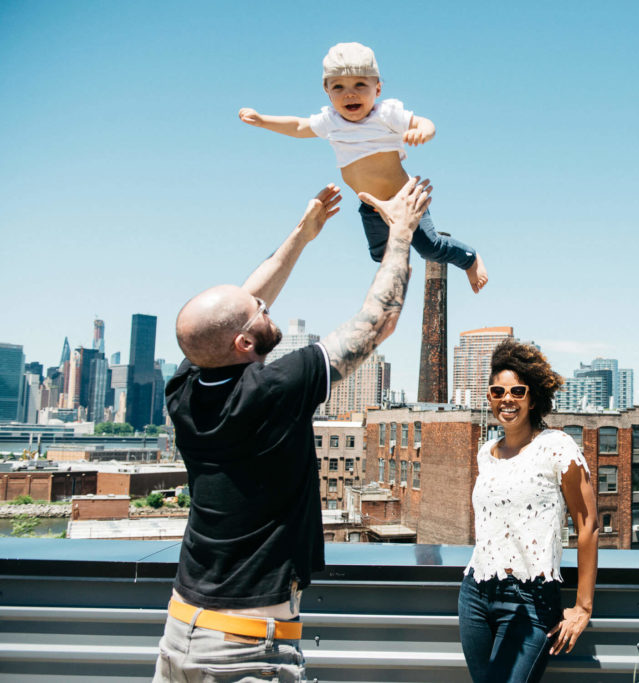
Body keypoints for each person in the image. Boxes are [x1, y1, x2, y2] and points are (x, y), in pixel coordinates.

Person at [152, 176, 432, 682]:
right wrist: (401, 234)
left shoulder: (183, 392)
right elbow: (377, 323)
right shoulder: (273, 390)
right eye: (260, 313)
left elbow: (227, 312)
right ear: (243, 343)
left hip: (181, 630)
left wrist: (302, 235)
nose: (265, 306)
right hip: (244, 650)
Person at [238, 41, 488, 294]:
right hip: (371, 206)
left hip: (404, 199)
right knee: (379, 256)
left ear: (377, 89)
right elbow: (298, 127)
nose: (350, 93)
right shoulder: (330, 122)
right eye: (339, 87)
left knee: (430, 248)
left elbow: (424, 122)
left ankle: (469, 258)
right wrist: (262, 121)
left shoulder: (385, 115)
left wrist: (423, 131)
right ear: (327, 91)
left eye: (360, 85)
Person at [459, 340, 599, 682]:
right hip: (476, 595)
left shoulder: (556, 447)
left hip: (531, 601)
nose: (507, 398)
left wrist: (582, 607)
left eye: (517, 391)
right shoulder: (486, 453)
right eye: (498, 391)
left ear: (532, 398)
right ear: (490, 397)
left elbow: (589, 525)